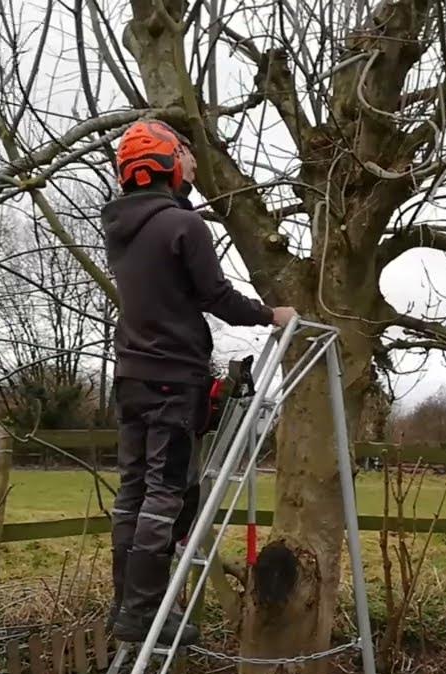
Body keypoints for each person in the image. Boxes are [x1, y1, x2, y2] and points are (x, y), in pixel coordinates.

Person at [101, 120, 296, 645]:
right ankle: (145, 615)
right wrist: (269, 315)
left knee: (132, 493)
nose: (192, 164)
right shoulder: (183, 227)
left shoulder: (120, 227)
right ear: (166, 161)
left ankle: (124, 607)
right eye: (185, 154)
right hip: (172, 377)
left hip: (132, 376)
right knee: (164, 494)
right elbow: (216, 296)